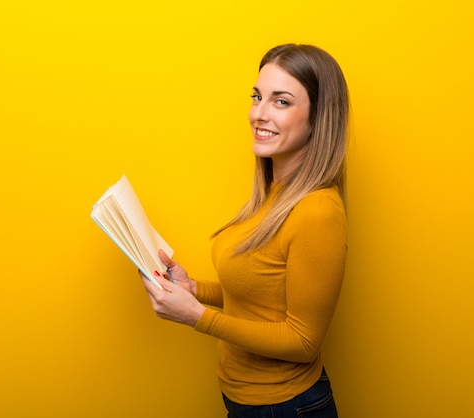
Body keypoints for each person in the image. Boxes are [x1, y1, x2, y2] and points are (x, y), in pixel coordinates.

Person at [140, 43, 349, 418]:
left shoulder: (317, 211)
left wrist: (197, 317)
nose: (259, 113)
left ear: (318, 119)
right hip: (245, 401)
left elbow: (303, 341)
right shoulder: (272, 195)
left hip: (288, 407)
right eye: (257, 97)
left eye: (281, 101)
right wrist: (195, 291)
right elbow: (261, 298)